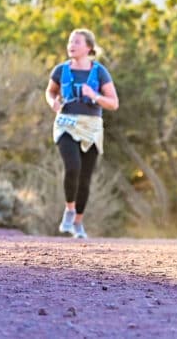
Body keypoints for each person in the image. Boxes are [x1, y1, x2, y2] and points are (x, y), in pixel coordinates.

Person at [44, 28, 119, 239]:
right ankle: (69, 209)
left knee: (85, 177)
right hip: (66, 123)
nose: (71, 45)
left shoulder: (99, 72)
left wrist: (94, 95)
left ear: (88, 48)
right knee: (73, 167)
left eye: (77, 42)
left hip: (91, 126)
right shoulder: (60, 70)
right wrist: (53, 102)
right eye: (70, 41)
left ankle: (78, 223)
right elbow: (50, 91)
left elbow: (113, 103)